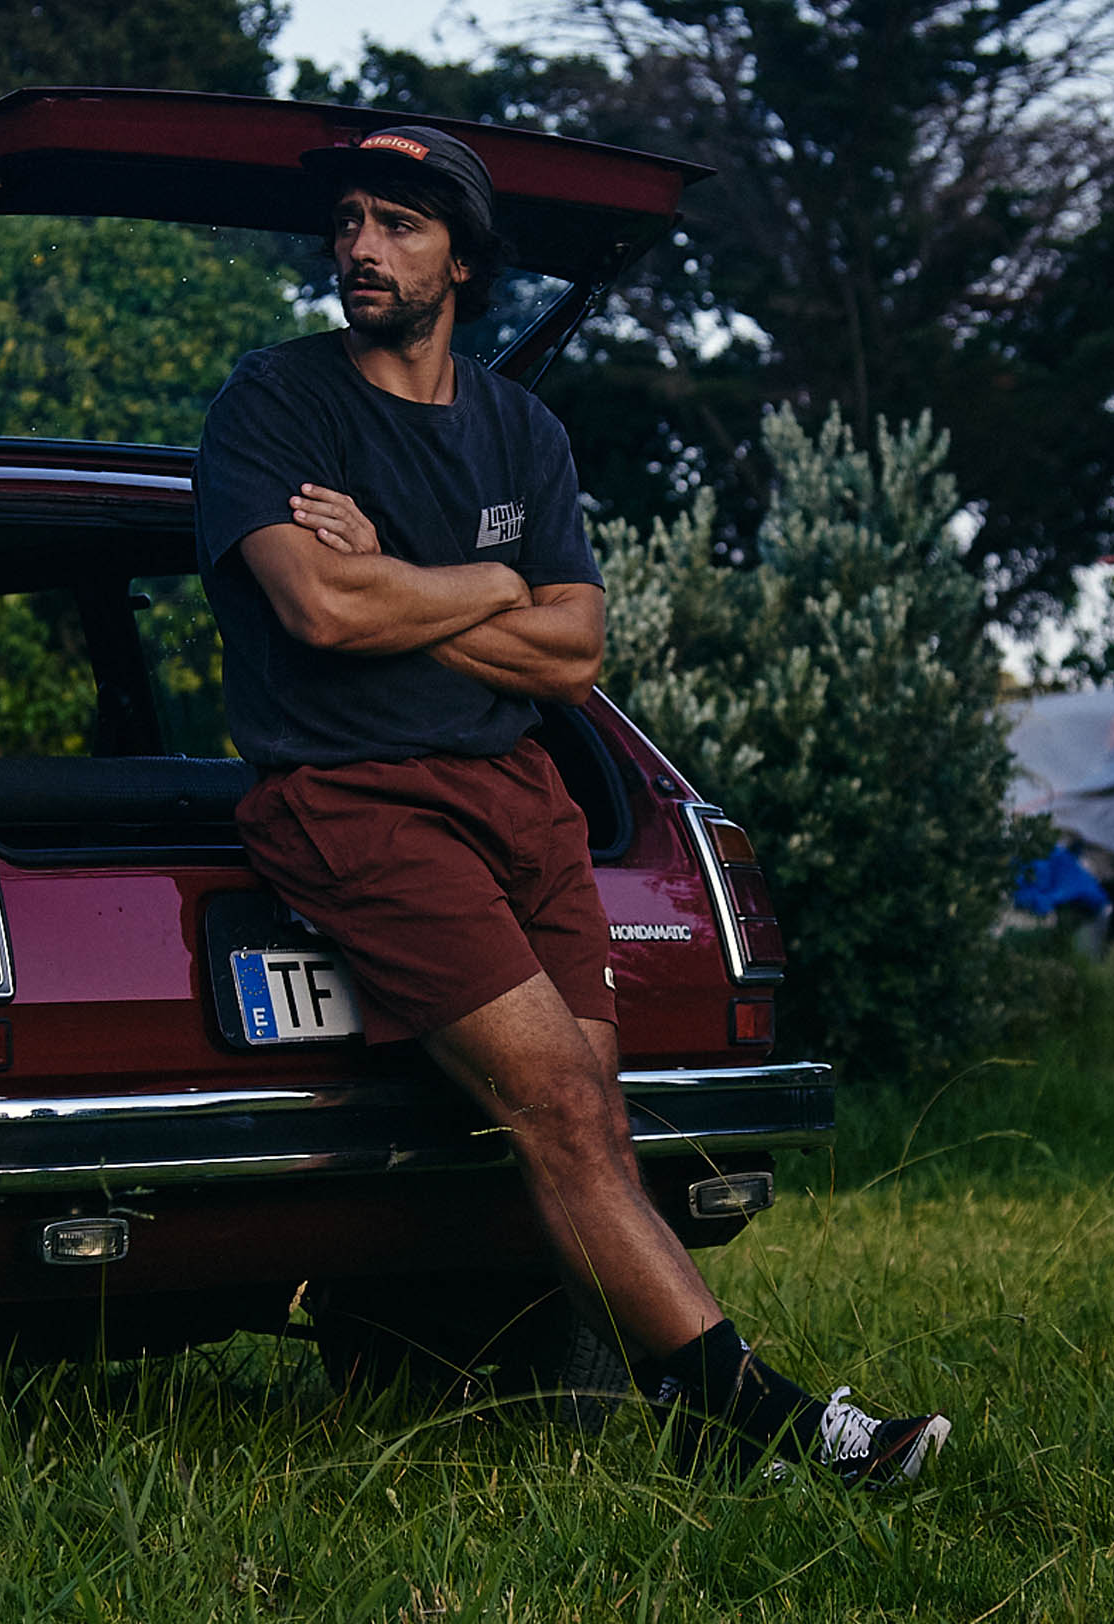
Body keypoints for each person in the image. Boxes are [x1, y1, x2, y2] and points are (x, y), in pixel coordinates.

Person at [191, 124, 950, 1485]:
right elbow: (318, 609)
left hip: (525, 800)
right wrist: (492, 587)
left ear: (463, 264)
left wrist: (403, 573)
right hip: (357, 801)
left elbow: (576, 652)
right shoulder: (277, 401)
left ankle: (627, 1397)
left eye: (400, 225)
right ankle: (770, 1422)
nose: (361, 246)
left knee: (588, 1112)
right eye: (350, 219)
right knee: (553, 1101)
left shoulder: (520, 430)